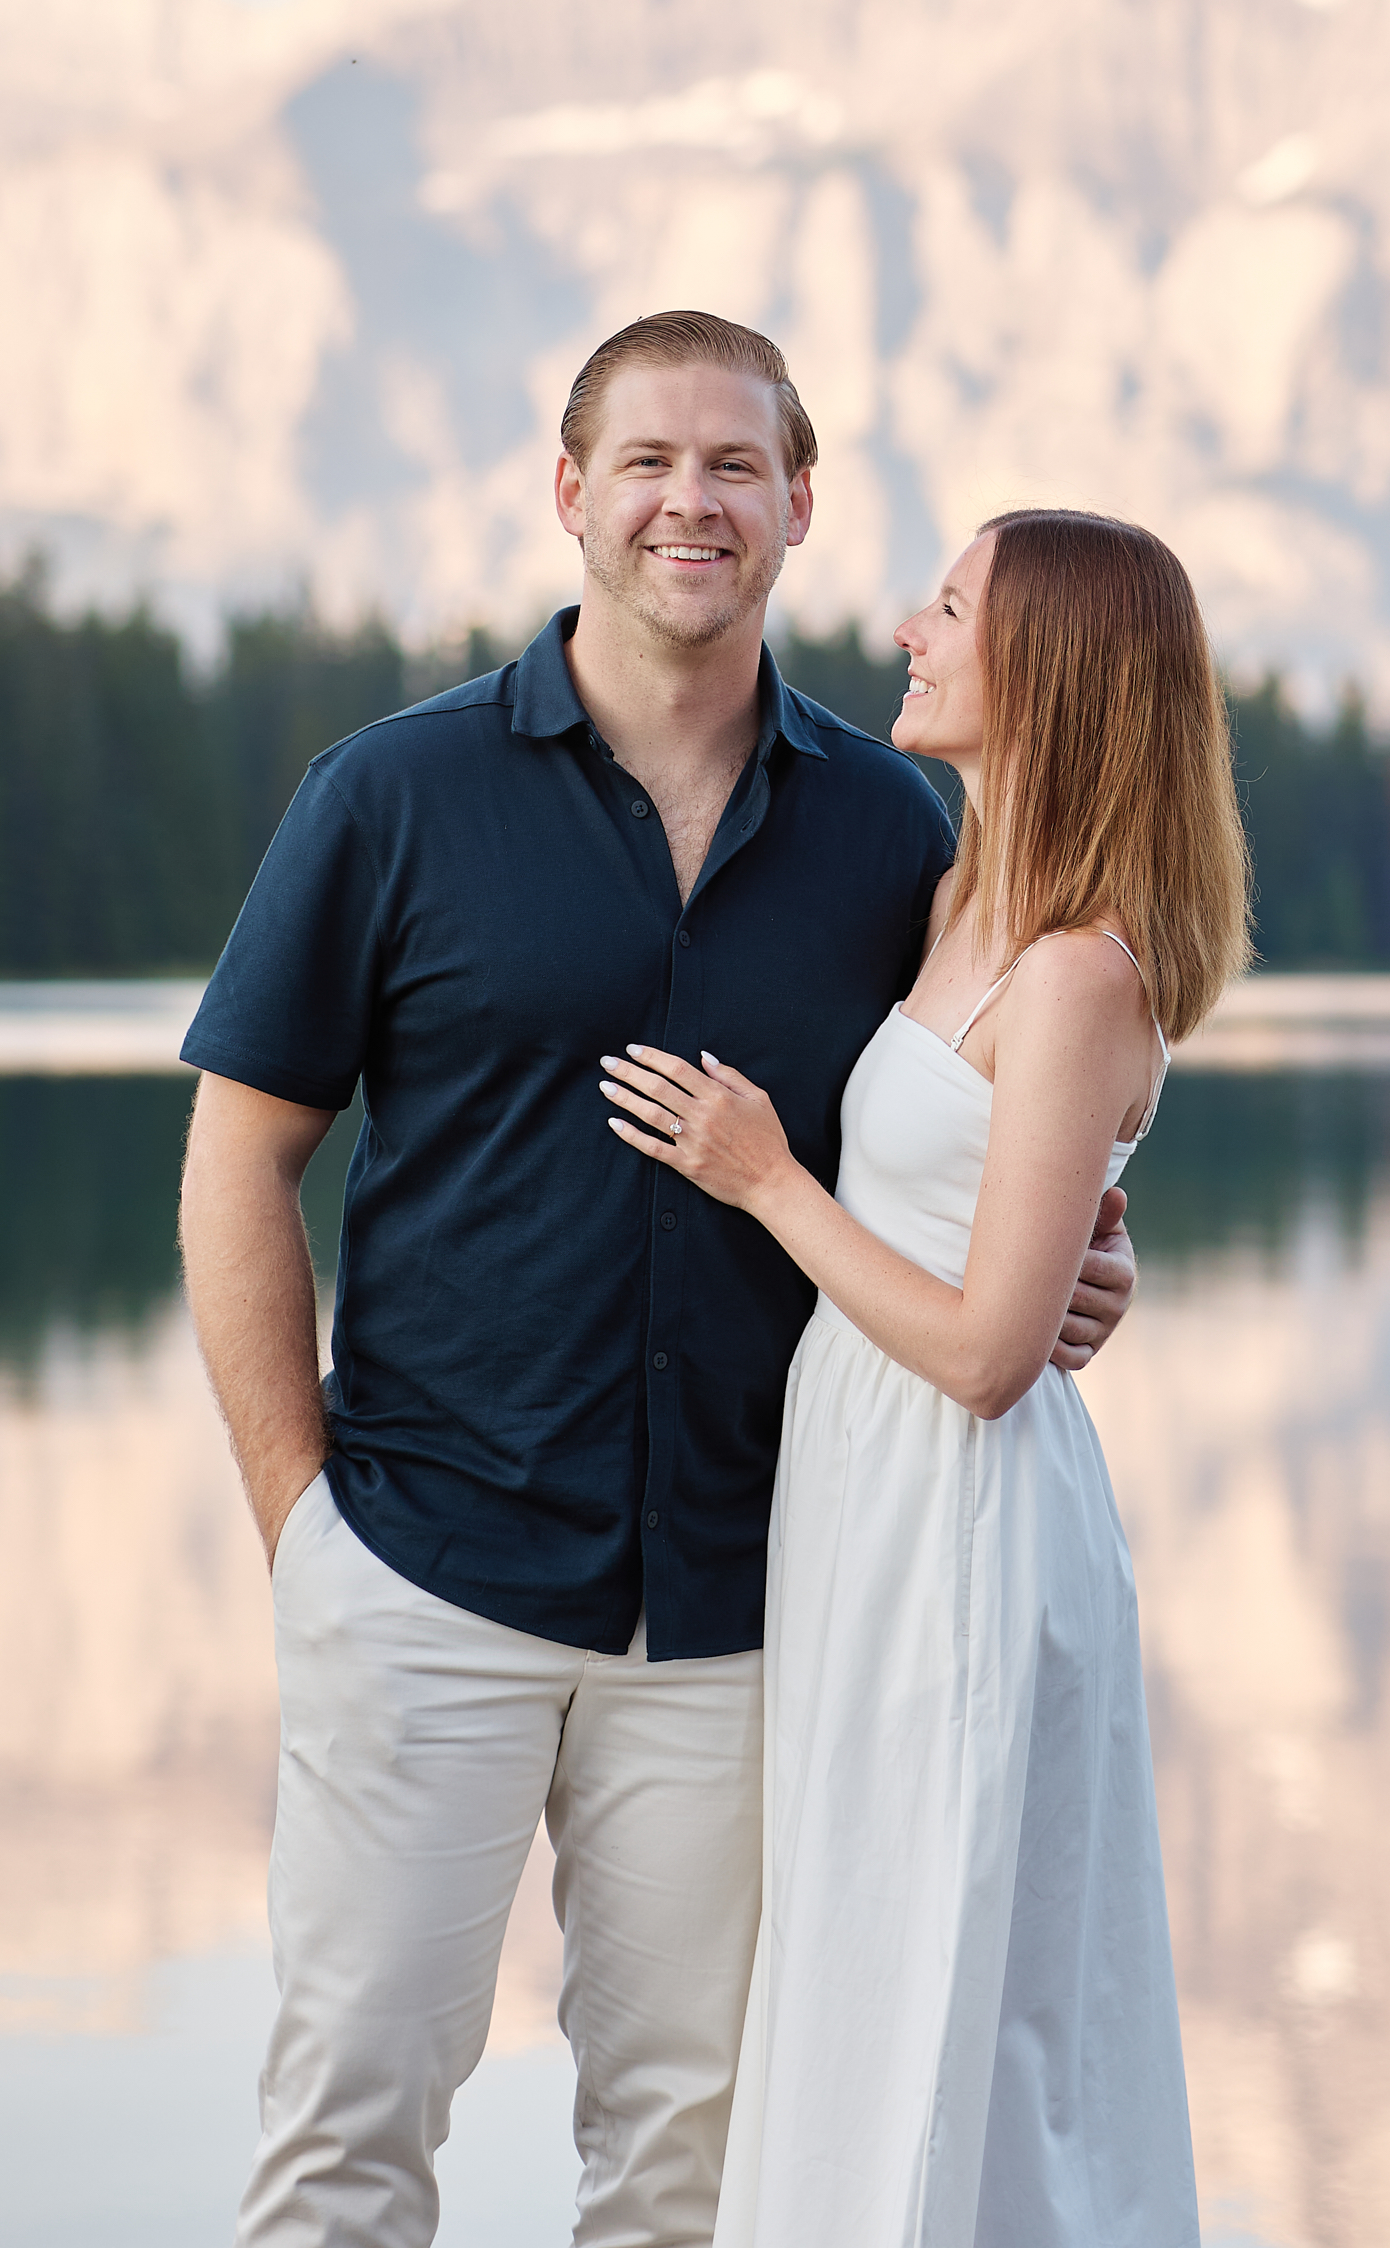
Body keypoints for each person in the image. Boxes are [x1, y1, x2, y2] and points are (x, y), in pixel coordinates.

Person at [176, 311, 1140, 2248]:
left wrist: (1087, 1259)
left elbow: (999, 1095)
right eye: (644, 460)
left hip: (740, 1610)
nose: (686, 500)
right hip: (424, 1576)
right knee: (344, 2141)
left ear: (798, 504)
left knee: (690, 2173)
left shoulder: (900, 834)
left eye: (730, 465)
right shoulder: (392, 794)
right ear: (568, 496)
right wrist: (306, 1534)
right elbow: (238, 1164)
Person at [600, 507, 1251, 2246]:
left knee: (955, 1971)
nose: (907, 624)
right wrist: (1076, 1279)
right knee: (861, 1950)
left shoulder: (1079, 972)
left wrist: (763, 1177)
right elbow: (998, 1249)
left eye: (949, 605)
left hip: (965, 1526)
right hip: (866, 1501)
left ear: (1045, 667)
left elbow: (979, 1356)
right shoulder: (959, 897)